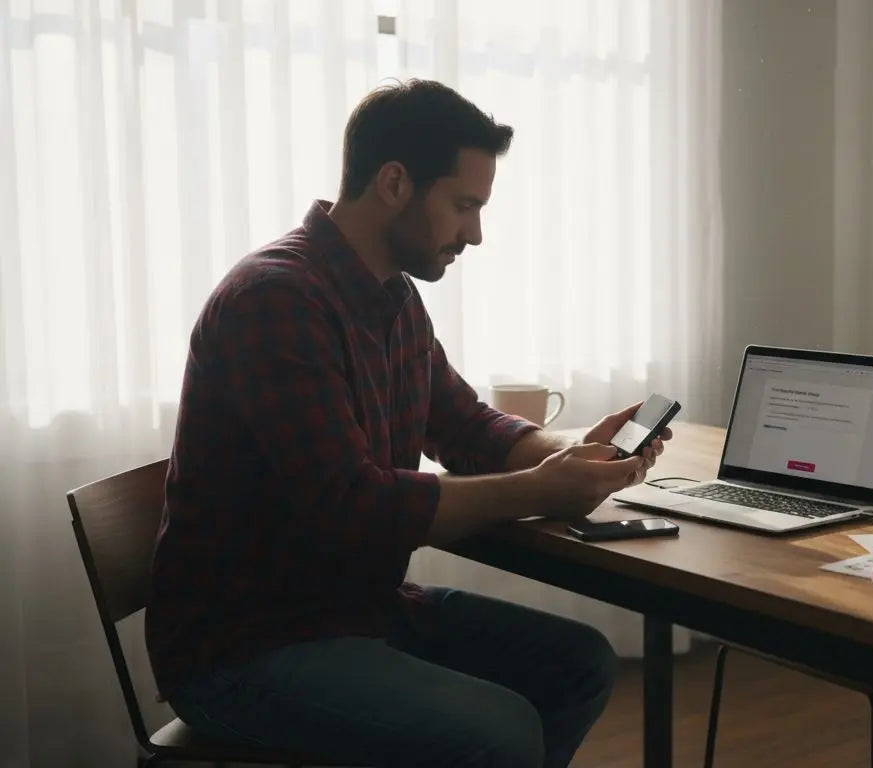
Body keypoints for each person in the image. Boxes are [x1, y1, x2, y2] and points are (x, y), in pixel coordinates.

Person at [145, 79, 670, 768]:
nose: (476, 234)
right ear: (395, 183)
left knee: (581, 663)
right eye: (464, 205)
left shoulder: (391, 296)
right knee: (500, 729)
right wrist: (543, 489)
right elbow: (352, 507)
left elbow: (465, 425)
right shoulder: (276, 301)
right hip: (247, 647)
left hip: (355, 610)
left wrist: (573, 452)